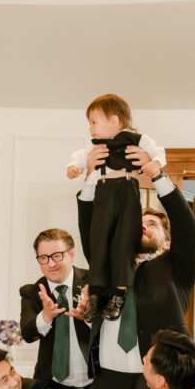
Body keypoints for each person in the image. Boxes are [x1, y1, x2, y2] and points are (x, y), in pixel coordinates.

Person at [78, 150, 195, 389]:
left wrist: (158, 177)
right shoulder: (106, 267)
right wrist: (90, 178)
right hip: (109, 386)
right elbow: (91, 231)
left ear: (167, 238)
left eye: (152, 224)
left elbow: (188, 226)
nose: (143, 228)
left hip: (155, 384)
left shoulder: (176, 267)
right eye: (138, 224)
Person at [67, 93, 167, 321]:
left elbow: (158, 151)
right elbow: (80, 157)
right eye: (89, 123)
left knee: (123, 243)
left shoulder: (135, 139)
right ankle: (96, 294)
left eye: (94, 121)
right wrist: (74, 166)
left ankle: (118, 295)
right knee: (99, 242)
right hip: (102, 191)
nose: (90, 127)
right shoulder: (92, 145)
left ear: (113, 120)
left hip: (127, 192)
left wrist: (154, 163)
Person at [19, 228, 92, 389]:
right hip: (54, 388)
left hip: (97, 385)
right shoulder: (32, 291)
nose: (51, 263)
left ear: (71, 253)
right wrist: (46, 316)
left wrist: (88, 317)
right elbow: (28, 333)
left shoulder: (92, 281)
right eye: (43, 258)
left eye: (56, 256)